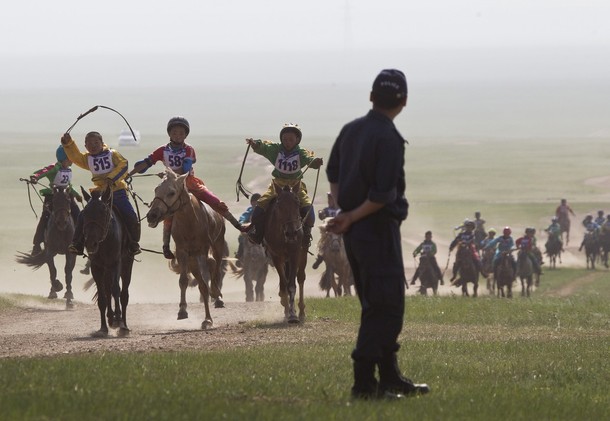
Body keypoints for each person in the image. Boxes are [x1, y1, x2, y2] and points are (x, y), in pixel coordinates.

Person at [326, 69, 429, 400]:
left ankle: (390, 376)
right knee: (385, 306)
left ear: (372, 97)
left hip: (356, 233)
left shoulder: (351, 130)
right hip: (376, 229)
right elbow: (382, 195)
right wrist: (352, 215)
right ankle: (364, 384)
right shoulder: (388, 138)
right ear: (404, 102)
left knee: (377, 302)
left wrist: (343, 210)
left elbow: (333, 173)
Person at [129, 116, 244, 259]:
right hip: (170, 184)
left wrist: (169, 173)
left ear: (185, 135)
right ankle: (165, 245)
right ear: (170, 134)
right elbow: (146, 163)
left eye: (181, 133)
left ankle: (238, 225)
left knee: (214, 200)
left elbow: (186, 168)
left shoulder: (189, 149)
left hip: (189, 182)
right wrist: (130, 174)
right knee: (165, 210)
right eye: (175, 133)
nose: (178, 136)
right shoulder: (162, 150)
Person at [61, 131, 141, 255]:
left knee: (130, 215)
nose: (93, 146)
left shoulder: (112, 154)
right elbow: (75, 157)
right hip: (99, 194)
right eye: (89, 144)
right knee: (83, 215)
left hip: (117, 191)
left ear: (102, 143)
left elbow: (123, 164)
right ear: (86, 147)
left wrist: (111, 179)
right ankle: (77, 243)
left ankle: (133, 243)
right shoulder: (87, 159)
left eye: (96, 143)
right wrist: (68, 144)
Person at [245, 124, 323, 248]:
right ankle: (258, 234)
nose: (287, 142)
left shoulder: (301, 153)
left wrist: (315, 162)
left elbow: (309, 160)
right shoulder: (276, 150)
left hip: (296, 186)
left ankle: (306, 236)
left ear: (297, 140)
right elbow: (264, 147)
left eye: (291, 140)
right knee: (259, 208)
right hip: (277, 185)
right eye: (285, 139)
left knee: (309, 211)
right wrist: (255, 144)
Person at [28, 145, 82, 255]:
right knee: (45, 217)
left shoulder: (68, 170)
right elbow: (43, 171)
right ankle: (37, 245)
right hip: (53, 197)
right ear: (64, 158)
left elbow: (69, 186)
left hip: (67, 197)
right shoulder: (54, 167)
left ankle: (81, 242)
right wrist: (35, 177)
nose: (72, 160)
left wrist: (76, 195)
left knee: (79, 215)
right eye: (70, 157)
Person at [312, 192, 341, 269]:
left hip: (340, 232)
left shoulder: (340, 210)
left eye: (331, 199)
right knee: (323, 243)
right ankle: (320, 257)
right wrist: (321, 214)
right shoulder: (327, 210)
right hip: (329, 232)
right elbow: (322, 217)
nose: (330, 201)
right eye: (329, 199)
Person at [234, 193, 261, 267]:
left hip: (261, 233)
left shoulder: (264, 211)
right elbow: (242, 218)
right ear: (251, 203)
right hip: (250, 232)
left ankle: (271, 258)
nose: (255, 205)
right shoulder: (249, 211)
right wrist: (242, 224)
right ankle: (240, 256)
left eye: (258, 203)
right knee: (241, 239)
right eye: (254, 203)